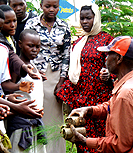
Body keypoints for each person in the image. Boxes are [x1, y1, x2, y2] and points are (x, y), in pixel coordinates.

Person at [56, 3, 114, 153]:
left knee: (100, 134)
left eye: (88, 18)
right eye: (82, 18)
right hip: (81, 95)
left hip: (99, 95)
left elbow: (115, 66)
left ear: (96, 18)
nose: (85, 22)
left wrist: (108, 74)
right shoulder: (78, 42)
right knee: (81, 131)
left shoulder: (107, 40)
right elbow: (73, 70)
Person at [68, 35, 133, 153]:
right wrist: (90, 110)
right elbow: (113, 107)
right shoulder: (125, 83)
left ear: (119, 58)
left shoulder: (125, 94)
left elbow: (122, 144)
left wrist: (85, 141)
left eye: (109, 55)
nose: (106, 59)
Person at [24, 0, 71, 152]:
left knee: (55, 117)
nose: (51, 9)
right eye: (47, 6)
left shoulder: (64, 26)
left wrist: (62, 81)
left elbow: (66, 54)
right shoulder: (32, 24)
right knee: (36, 112)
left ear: (59, 7)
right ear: (41, 6)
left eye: (55, 6)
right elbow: (25, 48)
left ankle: (55, 150)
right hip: (34, 74)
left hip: (56, 77)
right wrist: (31, 71)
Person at [7, 29, 47, 153]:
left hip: (35, 124)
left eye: (37, 46)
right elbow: (8, 88)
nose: (34, 49)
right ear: (20, 44)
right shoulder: (17, 68)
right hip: (21, 126)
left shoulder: (33, 66)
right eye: (30, 46)